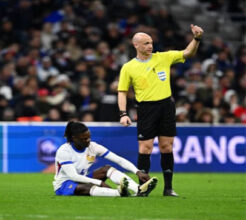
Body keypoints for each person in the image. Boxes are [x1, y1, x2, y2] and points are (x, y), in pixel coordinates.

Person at [117, 24, 204, 196]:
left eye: (151, 43)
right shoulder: (128, 67)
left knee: (166, 147)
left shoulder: (163, 57)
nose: (150, 46)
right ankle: (142, 188)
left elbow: (188, 53)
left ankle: (168, 188)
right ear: (136, 45)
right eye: (146, 43)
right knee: (145, 149)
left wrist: (197, 38)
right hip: (146, 109)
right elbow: (122, 92)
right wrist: (123, 114)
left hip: (166, 107)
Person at [53, 121, 158, 197]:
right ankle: (118, 192)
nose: (88, 140)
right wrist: (99, 183)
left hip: (83, 179)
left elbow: (118, 159)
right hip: (65, 185)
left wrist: (137, 171)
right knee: (86, 187)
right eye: (84, 139)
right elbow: (73, 176)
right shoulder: (64, 151)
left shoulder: (93, 147)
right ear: (74, 138)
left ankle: (138, 189)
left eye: (89, 137)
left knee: (106, 168)